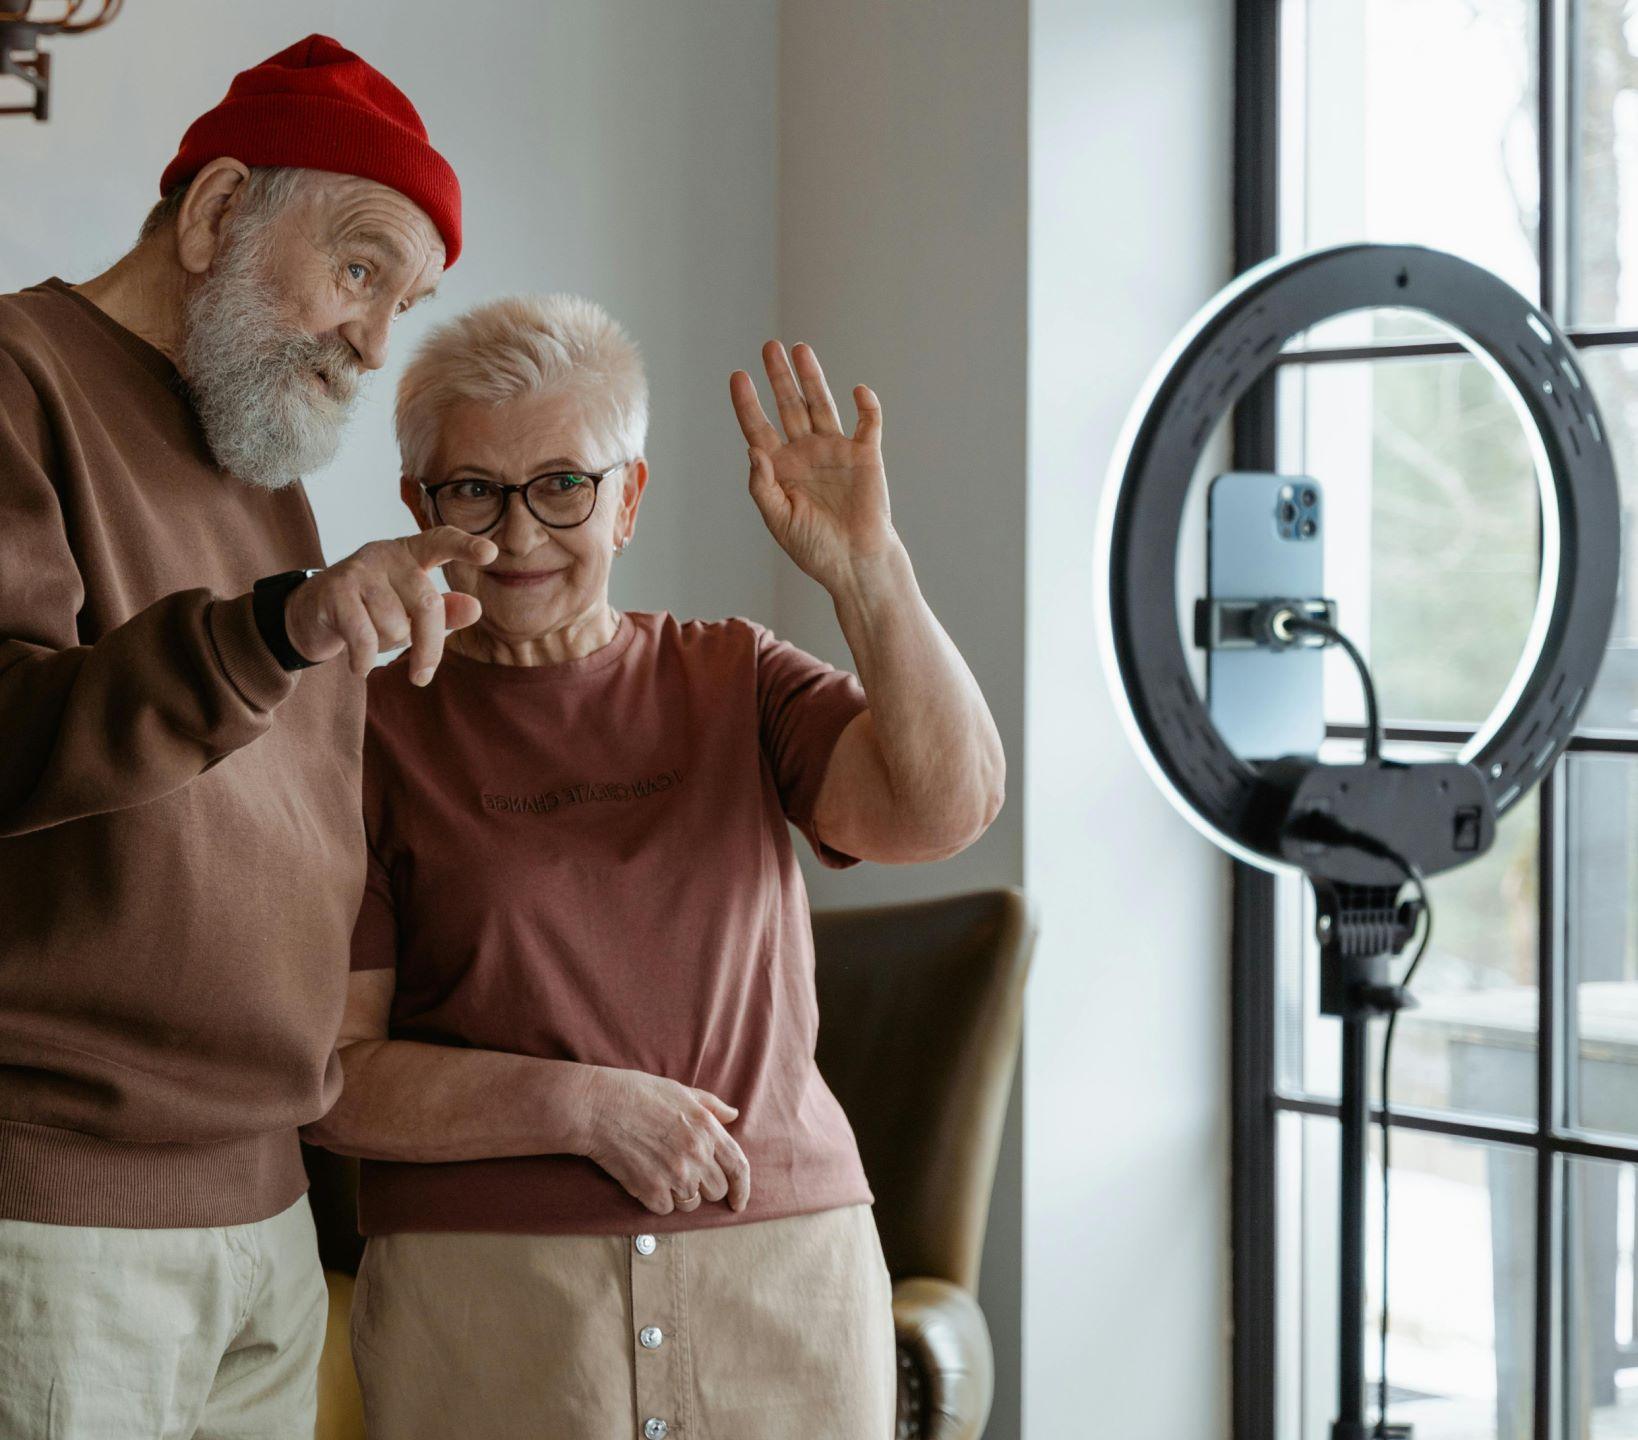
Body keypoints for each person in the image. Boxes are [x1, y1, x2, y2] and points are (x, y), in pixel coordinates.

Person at [304, 293, 1007, 1439]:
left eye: (564, 485)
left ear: (627, 499)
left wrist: (868, 567)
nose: (518, 535)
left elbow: (946, 808)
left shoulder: (734, 677)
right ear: (416, 505)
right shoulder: (367, 731)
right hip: (491, 1307)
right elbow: (335, 1073)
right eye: (474, 489)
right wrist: (582, 1107)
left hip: (785, 1282)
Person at [0, 34, 500, 1439]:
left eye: (405, 302)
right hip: (60, 1225)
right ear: (217, 212)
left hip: (268, 1222)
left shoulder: (256, 472)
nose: (374, 339)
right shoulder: (15, 379)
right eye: (357, 270)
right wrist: (281, 626)